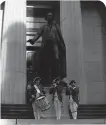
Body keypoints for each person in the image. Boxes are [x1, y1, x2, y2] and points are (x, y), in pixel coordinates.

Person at [27, 12, 66, 85]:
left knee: (56, 57)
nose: (49, 17)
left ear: (52, 17)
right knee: (39, 56)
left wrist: (62, 45)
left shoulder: (56, 26)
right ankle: (40, 70)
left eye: (51, 15)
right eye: (48, 16)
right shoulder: (43, 27)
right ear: (46, 17)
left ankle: (58, 71)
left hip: (54, 43)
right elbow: (38, 34)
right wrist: (33, 40)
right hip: (45, 44)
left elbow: (60, 36)